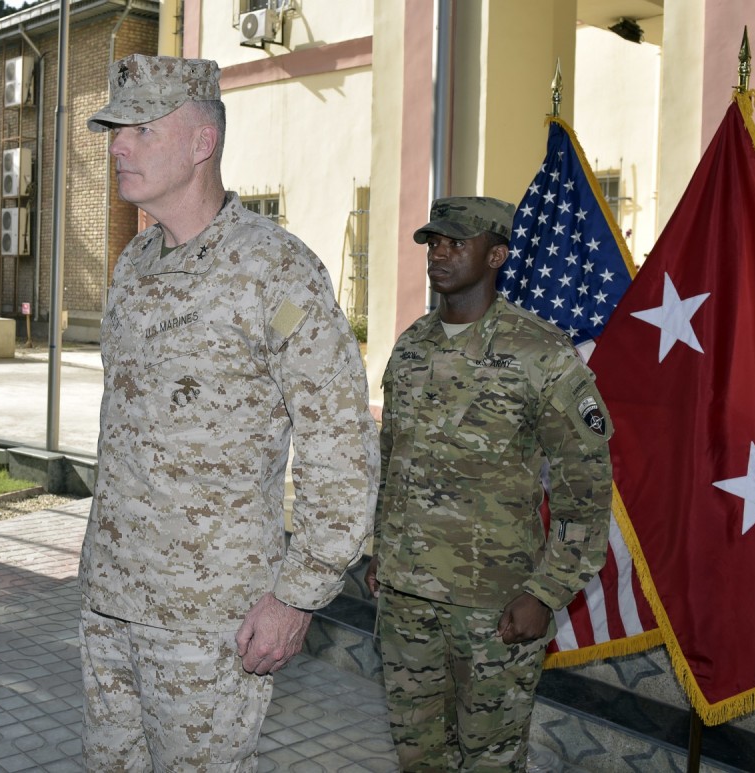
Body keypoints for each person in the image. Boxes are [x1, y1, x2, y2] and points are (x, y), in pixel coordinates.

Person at [79, 54, 380, 769]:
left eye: (141, 129)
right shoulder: (133, 265)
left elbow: (341, 447)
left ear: (200, 143)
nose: (118, 145)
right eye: (116, 130)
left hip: (210, 619)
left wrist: (298, 595)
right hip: (110, 602)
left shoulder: (275, 270)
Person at [366, 197, 613, 771]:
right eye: (433, 242)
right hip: (406, 601)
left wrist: (546, 592)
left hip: (494, 606)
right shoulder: (411, 347)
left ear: (497, 255)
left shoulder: (540, 352)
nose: (441, 253)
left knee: (489, 760)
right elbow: (392, 458)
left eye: (457, 242)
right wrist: (382, 549)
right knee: (418, 756)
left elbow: (587, 484)